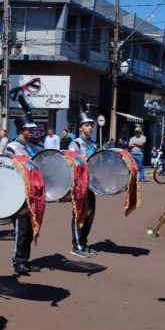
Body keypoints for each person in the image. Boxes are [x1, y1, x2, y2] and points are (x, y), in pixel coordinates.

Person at [4, 98, 41, 275]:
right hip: (17, 194)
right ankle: (18, 261)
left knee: (30, 226)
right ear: (21, 130)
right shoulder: (11, 148)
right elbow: (5, 169)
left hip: (31, 193)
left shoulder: (32, 148)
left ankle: (24, 259)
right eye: (29, 129)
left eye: (32, 129)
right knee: (22, 229)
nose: (32, 132)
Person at [68, 101, 99, 258]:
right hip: (80, 184)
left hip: (91, 185)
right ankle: (76, 245)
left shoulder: (94, 144)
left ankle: (84, 242)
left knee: (90, 213)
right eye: (87, 125)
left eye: (91, 125)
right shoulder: (75, 144)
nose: (90, 128)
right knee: (79, 213)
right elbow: (73, 163)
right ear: (80, 127)